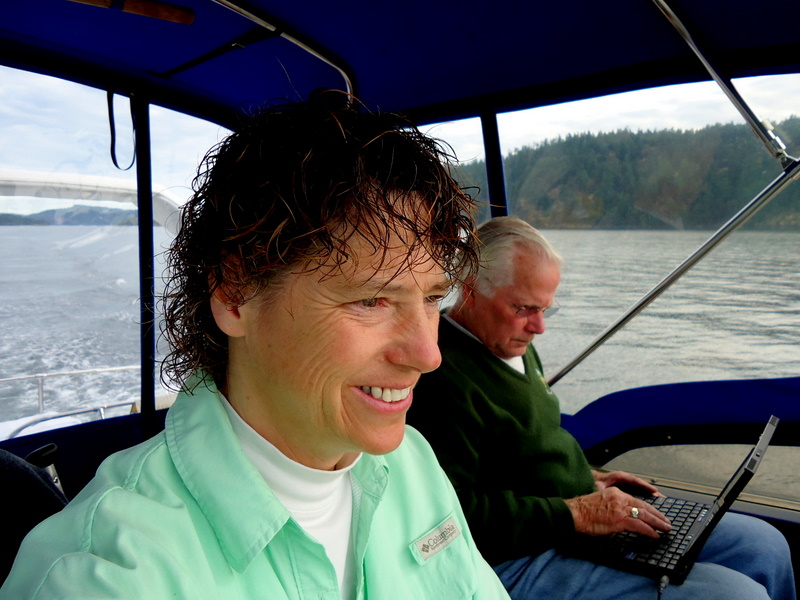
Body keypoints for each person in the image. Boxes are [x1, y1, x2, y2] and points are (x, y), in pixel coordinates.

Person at [0, 94, 510, 599]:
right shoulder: (110, 577)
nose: (428, 355)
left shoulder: (412, 465)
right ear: (235, 296)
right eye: (372, 300)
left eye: (432, 299)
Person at [408, 216, 796, 600]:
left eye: (547, 309)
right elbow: (455, 516)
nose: (539, 327)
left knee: (765, 545)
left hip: (572, 516)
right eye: (524, 308)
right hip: (511, 555)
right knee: (735, 595)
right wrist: (578, 512)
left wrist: (588, 478)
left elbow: (526, 448)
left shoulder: (510, 342)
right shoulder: (439, 378)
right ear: (471, 289)